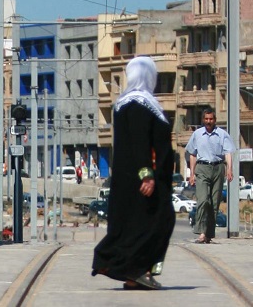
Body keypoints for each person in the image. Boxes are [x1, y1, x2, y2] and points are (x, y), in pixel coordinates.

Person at [92, 56, 175, 290]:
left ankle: (133, 274)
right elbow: (140, 142)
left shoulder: (124, 103)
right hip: (145, 181)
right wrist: (147, 174)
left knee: (133, 226)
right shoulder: (140, 104)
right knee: (157, 222)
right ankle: (132, 269)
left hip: (127, 179)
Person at [185, 108, 234, 244]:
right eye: (206, 119)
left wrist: (230, 169)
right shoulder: (197, 134)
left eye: (211, 119)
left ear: (215, 120)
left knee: (214, 202)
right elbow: (193, 154)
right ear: (203, 120)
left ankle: (208, 234)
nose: (208, 121)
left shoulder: (222, 134)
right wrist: (192, 174)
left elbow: (228, 152)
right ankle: (201, 232)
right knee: (203, 200)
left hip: (218, 168)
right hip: (202, 168)